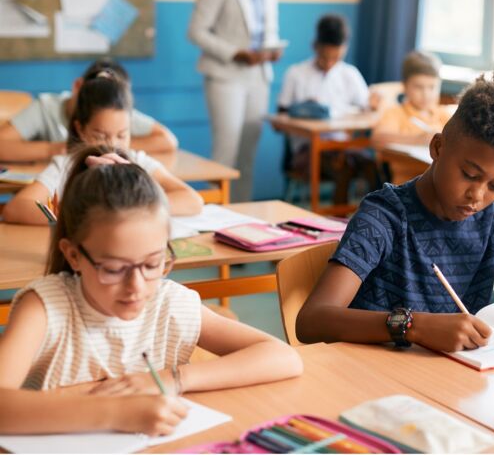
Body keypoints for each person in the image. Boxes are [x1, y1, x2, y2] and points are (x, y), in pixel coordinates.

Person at [0, 145, 303, 435]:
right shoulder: (45, 308)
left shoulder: (169, 303)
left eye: (152, 264)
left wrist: (175, 380)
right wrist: (117, 414)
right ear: (74, 255)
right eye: (115, 269)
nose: (136, 287)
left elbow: (283, 357)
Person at [296, 74, 494, 350]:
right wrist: (414, 327)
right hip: (376, 378)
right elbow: (313, 320)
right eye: (469, 174)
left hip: (449, 380)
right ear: (437, 147)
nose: (477, 195)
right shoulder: (384, 216)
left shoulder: (491, 220)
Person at [3, 71, 203, 225]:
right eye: (100, 136)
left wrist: (132, 209)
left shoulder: (136, 160)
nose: (113, 145)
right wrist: (85, 215)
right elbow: (16, 208)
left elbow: (192, 199)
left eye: (122, 135)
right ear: (80, 129)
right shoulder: (68, 164)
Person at [188, 0, 287, 202]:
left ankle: (242, 216)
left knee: (247, 157)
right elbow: (197, 31)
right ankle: (214, 214)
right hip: (226, 76)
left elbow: (267, 30)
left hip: (259, 76)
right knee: (226, 153)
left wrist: (272, 49)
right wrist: (235, 53)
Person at [278, 14, 381, 204]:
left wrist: (374, 104)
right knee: (343, 169)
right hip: (307, 149)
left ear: (345, 49)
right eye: (324, 57)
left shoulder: (349, 74)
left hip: (342, 145)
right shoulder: (296, 74)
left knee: (371, 166)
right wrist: (304, 111)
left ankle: (378, 222)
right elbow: (279, 121)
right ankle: (338, 226)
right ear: (315, 46)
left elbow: (368, 107)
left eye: (336, 57)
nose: (329, 63)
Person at [0, 59, 178, 162]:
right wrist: (59, 149)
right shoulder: (46, 107)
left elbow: (167, 140)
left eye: (121, 134)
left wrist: (111, 148)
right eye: (100, 134)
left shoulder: (112, 110)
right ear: (77, 86)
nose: (101, 104)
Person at [372, 51, 451, 146]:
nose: (426, 94)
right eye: (418, 87)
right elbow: (377, 139)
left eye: (432, 87)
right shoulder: (395, 113)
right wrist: (418, 140)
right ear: (405, 86)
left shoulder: (443, 115)